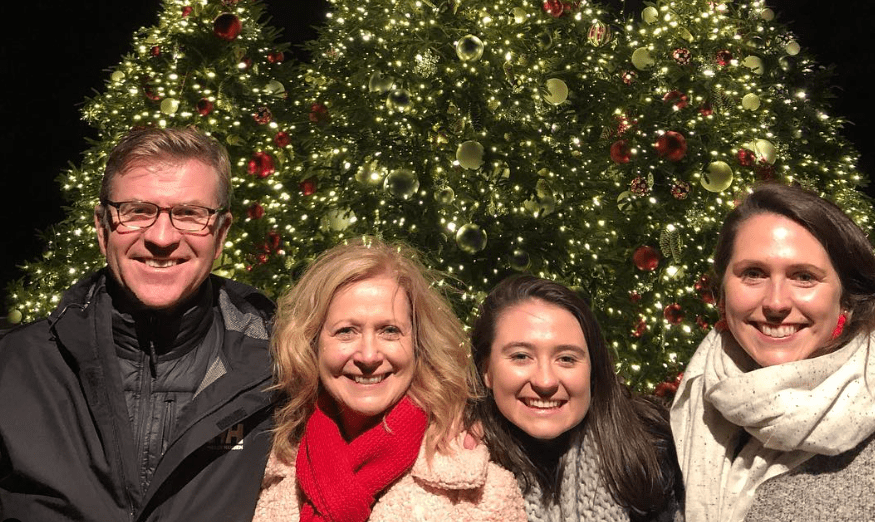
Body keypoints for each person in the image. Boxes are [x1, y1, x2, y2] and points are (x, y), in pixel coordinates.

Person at [0, 127, 275, 521]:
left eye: (190, 214)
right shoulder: (13, 368)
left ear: (221, 234)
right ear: (102, 228)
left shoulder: (281, 369)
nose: (162, 237)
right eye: (137, 211)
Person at [253, 237, 526, 522]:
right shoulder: (266, 468)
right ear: (312, 344)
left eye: (390, 331)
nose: (369, 356)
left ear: (418, 345)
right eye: (346, 331)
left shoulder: (479, 490)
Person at [671, 182, 875, 521]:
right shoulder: (687, 411)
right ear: (722, 291)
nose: (776, 303)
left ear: (847, 299)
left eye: (804, 277)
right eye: (753, 274)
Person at [468, 274, 683, 522]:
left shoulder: (656, 447)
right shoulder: (457, 461)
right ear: (487, 371)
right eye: (521, 356)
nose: (545, 381)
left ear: (592, 371)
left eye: (566, 358)